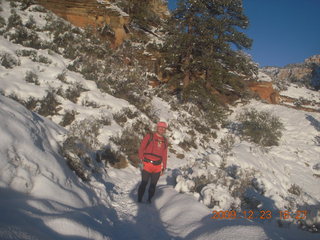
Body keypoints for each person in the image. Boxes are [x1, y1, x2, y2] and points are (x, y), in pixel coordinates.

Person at [137, 121, 168, 203]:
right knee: (144, 183)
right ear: (157, 127)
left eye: (164, 128)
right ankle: (139, 199)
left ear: (165, 130)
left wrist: (164, 167)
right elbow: (141, 148)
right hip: (147, 164)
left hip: (157, 166)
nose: (162, 129)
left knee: (153, 185)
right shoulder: (149, 136)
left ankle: (149, 199)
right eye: (160, 127)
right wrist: (140, 161)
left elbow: (164, 154)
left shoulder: (165, 140)